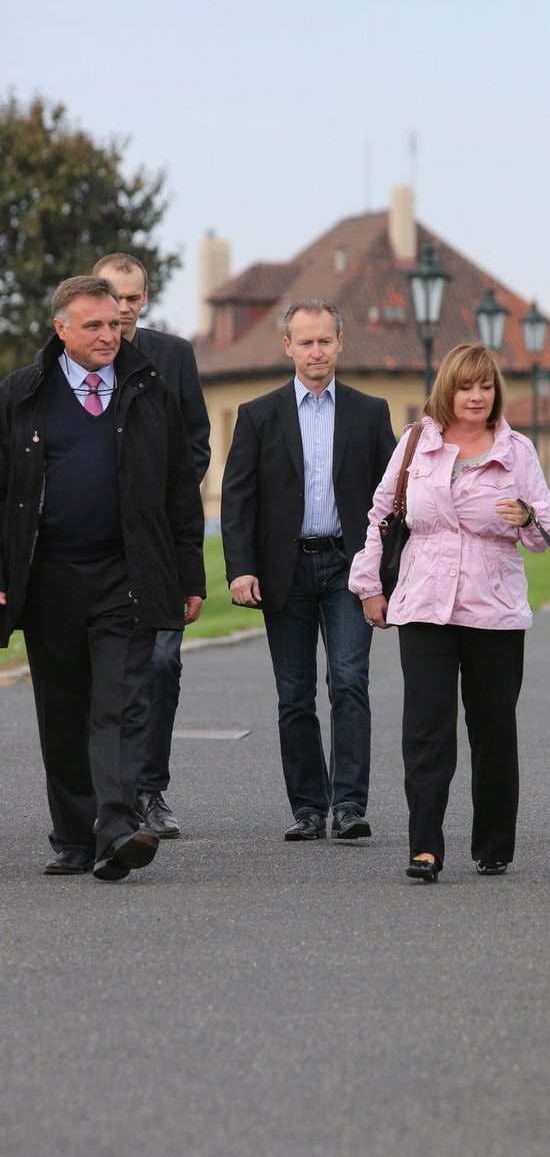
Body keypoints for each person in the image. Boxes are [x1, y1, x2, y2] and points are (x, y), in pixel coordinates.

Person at [0, 276, 206, 880]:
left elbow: (179, 492)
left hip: (127, 573)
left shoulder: (151, 392)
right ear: (61, 329)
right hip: (48, 578)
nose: (107, 335)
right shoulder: (20, 395)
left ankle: (116, 828)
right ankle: (72, 836)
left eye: (114, 324)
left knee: (120, 704)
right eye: (92, 326)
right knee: (61, 708)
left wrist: (188, 573)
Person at [349, 342, 550, 883]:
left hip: (494, 609)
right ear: (448, 389)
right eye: (466, 387)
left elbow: (544, 536)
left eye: (485, 387)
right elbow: (381, 514)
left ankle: (493, 844)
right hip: (423, 604)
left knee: (492, 729)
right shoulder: (417, 442)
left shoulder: (519, 451)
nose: (476, 396)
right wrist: (370, 584)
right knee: (426, 730)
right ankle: (425, 847)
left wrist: (526, 517)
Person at [221, 299, 396, 843]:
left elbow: (393, 501)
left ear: (340, 343)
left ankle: (348, 805)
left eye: (325, 340)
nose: (316, 351)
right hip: (284, 569)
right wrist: (241, 568)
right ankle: (307, 808)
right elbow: (237, 500)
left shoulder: (370, 413)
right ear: (287, 346)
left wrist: (386, 572)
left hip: (349, 567)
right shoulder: (257, 414)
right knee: (294, 693)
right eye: (306, 341)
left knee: (349, 684)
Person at [93, 252, 211, 840]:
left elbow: (198, 444)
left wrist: (161, 501)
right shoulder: (80, 357)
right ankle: (104, 791)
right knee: (104, 670)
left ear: (145, 298)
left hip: (160, 543)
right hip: (92, 547)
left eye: (133, 297)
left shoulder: (175, 356)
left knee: (161, 664)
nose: (123, 307)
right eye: (114, 295)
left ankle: (150, 790)